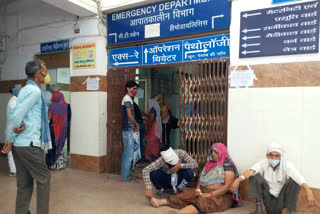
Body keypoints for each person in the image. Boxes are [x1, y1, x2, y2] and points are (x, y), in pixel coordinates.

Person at [1, 59, 52, 214]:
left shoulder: (25, 89)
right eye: (45, 72)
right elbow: (16, 115)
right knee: (44, 178)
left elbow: (21, 115)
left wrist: (11, 139)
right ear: (38, 74)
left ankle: (21, 211)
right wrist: (9, 139)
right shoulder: (35, 91)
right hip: (29, 144)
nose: (46, 76)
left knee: (25, 183)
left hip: (20, 144)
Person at [147, 143, 241, 214]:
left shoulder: (228, 167)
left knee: (204, 202)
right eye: (212, 151)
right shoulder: (210, 163)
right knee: (186, 194)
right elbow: (201, 177)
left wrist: (209, 194)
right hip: (204, 190)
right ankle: (160, 202)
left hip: (220, 195)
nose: (213, 154)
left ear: (222, 152)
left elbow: (226, 187)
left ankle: (181, 213)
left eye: (216, 152)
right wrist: (198, 188)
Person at [229, 142, 316, 214]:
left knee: (294, 181)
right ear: (267, 155)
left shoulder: (287, 165)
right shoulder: (263, 163)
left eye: (276, 155)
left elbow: (298, 177)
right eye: (271, 155)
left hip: (282, 200)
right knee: (254, 176)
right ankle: (260, 207)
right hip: (267, 198)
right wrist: (238, 179)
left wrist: (309, 191)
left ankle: (287, 210)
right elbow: (251, 170)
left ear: (280, 156)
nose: (273, 158)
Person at [46, 90, 71, 170]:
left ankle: (53, 164)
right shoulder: (66, 106)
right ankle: (61, 164)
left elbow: (48, 118)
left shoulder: (52, 106)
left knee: (53, 146)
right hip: (63, 130)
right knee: (60, 145)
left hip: (53, 129)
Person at [121, 80, 140, 182]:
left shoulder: (128, 99)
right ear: (128, 89)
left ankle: (124, 175)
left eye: (136, 89)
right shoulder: (127, 99)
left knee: (126, 153)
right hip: (128, 129)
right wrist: (136, 124)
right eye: (134, 88)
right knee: (129, 155)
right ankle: (126, 178)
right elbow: (129, 115)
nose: (135, 90)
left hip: (128, 129)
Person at [5, 86, 22, 176]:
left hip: (16, 130)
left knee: (17, 150)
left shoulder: (17, 101)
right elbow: (18, 114)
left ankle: (17, 169)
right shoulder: (12, 102)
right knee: (10, 150)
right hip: (11, 130)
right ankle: (13, 170)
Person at [133, 101, 145, 167]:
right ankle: (140, 160)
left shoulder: (131, 105)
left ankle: (138, 161)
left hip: (137, 125)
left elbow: (131, 116)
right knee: (140, 143)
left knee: (137, 143)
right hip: (141, 124)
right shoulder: (135, 105)